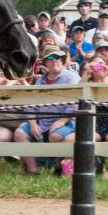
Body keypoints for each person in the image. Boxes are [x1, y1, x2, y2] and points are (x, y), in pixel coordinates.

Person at [14, 46, 80, 174]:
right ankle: (33, 171)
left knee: (55, 135)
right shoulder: (40, 80)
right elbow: (31, 104)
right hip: (41, 122)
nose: (54, 60)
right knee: (19, 133)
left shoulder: (72, 78)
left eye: (57, 57)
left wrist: (62, 120)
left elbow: (75, 103)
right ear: (45, 63)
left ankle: (59, 168)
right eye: (50, 58)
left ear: (62, 60)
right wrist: (33, 124)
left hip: (68, 122)